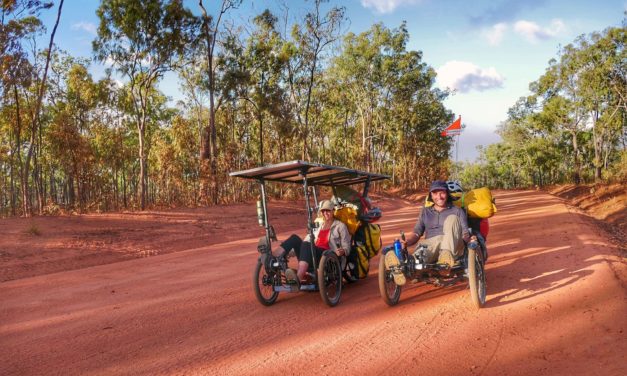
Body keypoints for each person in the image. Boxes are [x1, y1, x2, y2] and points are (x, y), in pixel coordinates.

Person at [385, 180, 477, 285]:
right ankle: (399, 268)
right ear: (431, 196)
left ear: (447, 193)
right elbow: (417, 233)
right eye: (435, 193)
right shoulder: (425, 211)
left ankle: (445, 258)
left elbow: (465, 233)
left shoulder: (457, 211)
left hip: (453, 246)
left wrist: (470, 239)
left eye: (442, 192)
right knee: (420, 254)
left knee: (451, 219)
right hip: (431, 246)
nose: (439, 196)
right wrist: (406, 242)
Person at [272, 200, 351, 284]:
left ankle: (297, 279)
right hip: (312, 254)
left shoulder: (340, 226)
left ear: (333, 211)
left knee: (307, 244)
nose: (325, 213)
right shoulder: (319, 225)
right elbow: (307, 241)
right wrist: (289, 253)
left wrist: (343, 251)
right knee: (295, 238)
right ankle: (273, 257)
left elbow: (347, 247)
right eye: (323, 211)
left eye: (328, 210)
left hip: (327, 257)